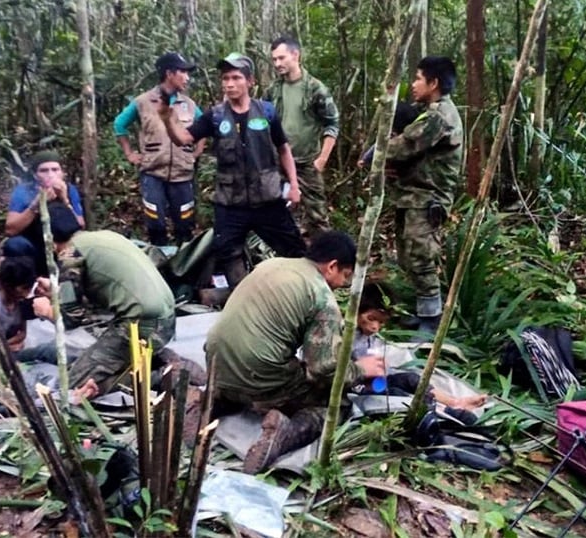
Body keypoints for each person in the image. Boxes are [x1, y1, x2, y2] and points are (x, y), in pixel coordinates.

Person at [204, 231, 386, 473]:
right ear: (332, 266)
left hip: (215, 363)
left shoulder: (272, 264)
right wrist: (361, 368)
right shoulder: (322, 297)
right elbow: (322, 370)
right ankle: (285, 434)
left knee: (281, 369)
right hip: (258, 374)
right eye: (345, 275)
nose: (342, 284)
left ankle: (213, 401)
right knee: (336, 406)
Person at [160, 53, 306, 288]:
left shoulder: (267, 112)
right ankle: (243, 295)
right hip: (230, 203)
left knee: (294, 250)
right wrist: (167, 119)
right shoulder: (215, 116)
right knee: (227, 252)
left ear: (250, 82)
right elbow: (183, 138)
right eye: (225, 78)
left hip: (267, 199)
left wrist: (294, 186)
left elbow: (283, 149)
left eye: (236, 78)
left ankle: (300, 293)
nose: (229, 83)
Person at [30, 205, 176, 397]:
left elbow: (71, 319)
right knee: (91, 362)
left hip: (141, 325)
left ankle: (157, 377)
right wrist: (59, 291)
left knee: (73, 385)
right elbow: (101, 293)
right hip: (166, 318)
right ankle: (152, 360)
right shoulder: (103, 237)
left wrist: (47, 310)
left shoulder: (70, 255)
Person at [385, 56, 464, 336]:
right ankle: (424, 312)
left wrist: (378, 151)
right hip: (413, 194)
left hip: (427, 199)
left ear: (434, 83)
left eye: (418, 78)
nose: (413, 84)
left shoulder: (438, 117)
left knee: (421, 255)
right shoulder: (428, 110)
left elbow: (403, 146)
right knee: (408, 255)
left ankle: (432, 319)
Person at [114, 52, 206, 246]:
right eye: (183, 72)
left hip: (182, 174)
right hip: (153, 173)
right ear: (169, 73)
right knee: (155, 222)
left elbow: (203, 127)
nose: (187, 78)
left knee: (185, 223)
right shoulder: (143, 102)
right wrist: (130, 153)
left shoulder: (189, 104)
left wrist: (197, 152)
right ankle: (158, 263)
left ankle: (184, 266)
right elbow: (119, 125)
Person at [351, 282, 487, 412]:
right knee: (395, 394)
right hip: (355, 386)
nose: (375, 327)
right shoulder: (344, 335)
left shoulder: (368, 337)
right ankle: (441, 411)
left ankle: (454, 403)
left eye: (381, 322)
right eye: (371, 318)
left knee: (411, 379)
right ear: (355, 311)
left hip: (374, 382)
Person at [266, 36, 340, 237]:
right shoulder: (273, 90)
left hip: (307, 163)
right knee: (278, 215)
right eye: (274, 60)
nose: (277, 64)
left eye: (281, 58)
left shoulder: (316, 89)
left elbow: (332, 123)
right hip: (279, 163)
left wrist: (322, 160)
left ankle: (324, 261)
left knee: (317, 216)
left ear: (295, 55)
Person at [3, 150, 85, 275]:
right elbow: (10, 229)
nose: (50, 174)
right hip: (35, 245)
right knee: (15, 245)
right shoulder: (24, 191)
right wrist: (36, 205)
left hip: (63, 246)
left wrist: (65, 200)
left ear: (62, 173)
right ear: (35, 175)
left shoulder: (69, 189)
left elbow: (81, 225)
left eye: (55, 169)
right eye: (44, 170)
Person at [0, 256, 58, 364]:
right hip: (0, 359)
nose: (27, 294)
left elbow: (22, 334)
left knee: (52, 349)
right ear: (7, 286)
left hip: (15, 349)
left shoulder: (21, 302)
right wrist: (6, 347)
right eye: (24, 289)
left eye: (29, 289)